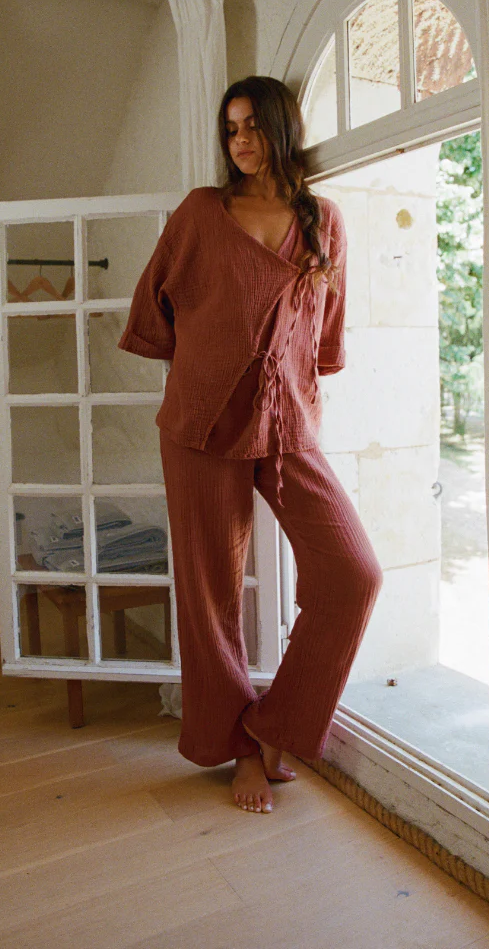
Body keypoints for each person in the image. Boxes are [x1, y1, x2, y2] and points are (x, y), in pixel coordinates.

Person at [118, 75, 382, 814]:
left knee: (353, 574)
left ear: (281, 128)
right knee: (210, 597)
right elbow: (153, 306)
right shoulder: (202, 212)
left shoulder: (324, 221)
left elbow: (325, 337)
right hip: (200, 426)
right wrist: (210, 357)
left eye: (254, 126)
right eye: (231, 129)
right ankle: (237, 748)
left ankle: (274, 727)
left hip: (287, 424)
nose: (240, 141)